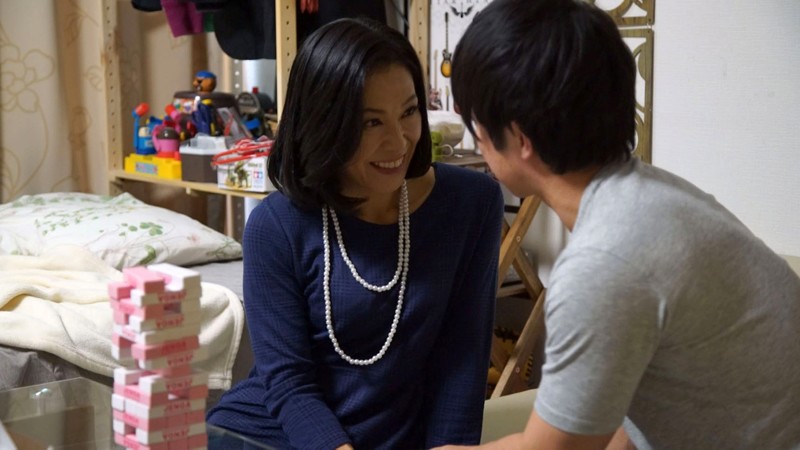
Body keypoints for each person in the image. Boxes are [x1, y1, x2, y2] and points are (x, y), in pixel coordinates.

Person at [439, 0, 800, 449]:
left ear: (519, 137)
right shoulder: (652, 194)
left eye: (475, 122)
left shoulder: (603, 261)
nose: (476, 137)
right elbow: (634, 408)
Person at [207, 17, 505, 449]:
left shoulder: (471, 204)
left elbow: (462, 361)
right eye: (370, 123)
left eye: (408, 112)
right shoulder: (276, 226)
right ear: (325, 124)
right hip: (268, 437)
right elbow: (288, 384)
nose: (398, 143)